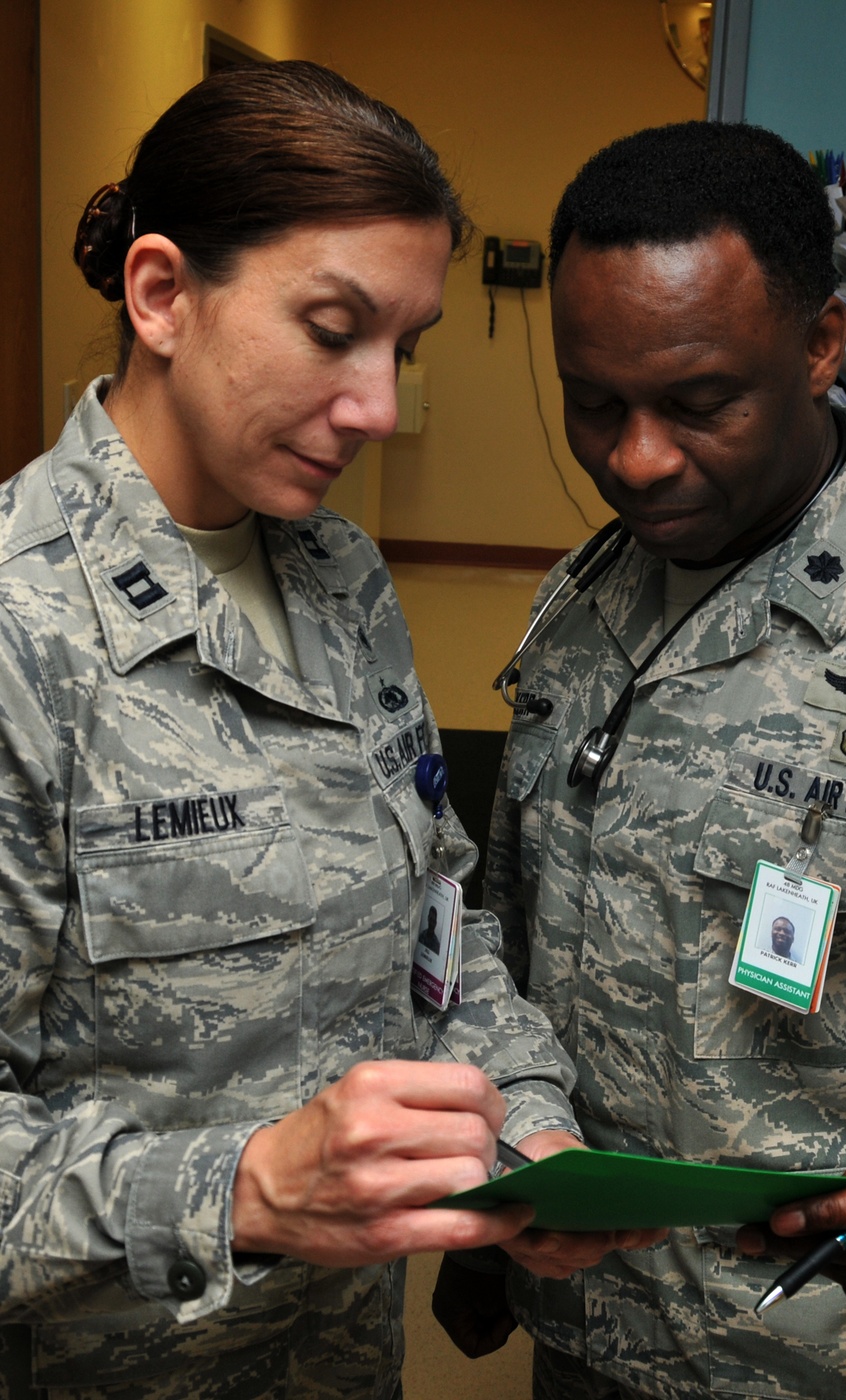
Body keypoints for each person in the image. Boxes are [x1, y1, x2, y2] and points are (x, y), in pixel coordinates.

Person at [0, 61, 648, 1400]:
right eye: (333, 329)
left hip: (340, 1361)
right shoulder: (22, 627)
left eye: (401, 346)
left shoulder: (339, 575)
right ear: (163, 294)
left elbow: (439, 915)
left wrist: (529, 1126)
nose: (379, 407)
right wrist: (238, 1188)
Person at [434, 121, 846, 1398]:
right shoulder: (584, 600)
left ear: (817, 349)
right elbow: (517, 919)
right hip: (583, 1327)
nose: (634, 458)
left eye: (697, 403)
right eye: (595, 402)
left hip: (820, 1359)